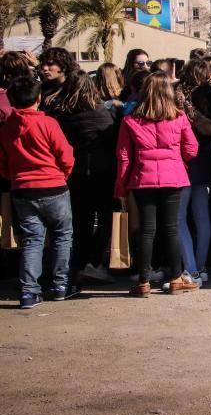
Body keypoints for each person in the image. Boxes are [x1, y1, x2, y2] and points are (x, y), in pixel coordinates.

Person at [114, 72, 200, 297]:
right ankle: (175, 277)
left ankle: (143, 280)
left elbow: (124, 156)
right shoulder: (179, 117)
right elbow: (192, 149)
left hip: (142, 178)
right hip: (173, 176)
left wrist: (121, 187)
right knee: (171, 228)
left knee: (146, 230)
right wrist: (178, 161)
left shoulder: (130, 120)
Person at [0, 77, 76, 308]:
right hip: (54, 185)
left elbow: (3, 163)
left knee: (32, 240)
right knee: (62, 236)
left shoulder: (7, 129)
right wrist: (62, 175)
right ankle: (60, 285)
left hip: (23, 189)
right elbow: (66, 155)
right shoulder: (48, 123)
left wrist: (14, 177)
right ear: (39, 98)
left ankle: (29, 291)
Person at [47, 72, 117, 286]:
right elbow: (113, 141)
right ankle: (94, 263)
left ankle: (79, 263)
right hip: (102, 172)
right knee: (106, 218)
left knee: (80, 221)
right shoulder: (101, 114)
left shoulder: (61, 115)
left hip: (74, 173)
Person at [174, 59, 211, 284]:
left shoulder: (179, 96)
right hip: (206, 157)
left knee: (180, 217)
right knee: (202, 215)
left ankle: (190, 268)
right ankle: (201, 266)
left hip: (184, 159)